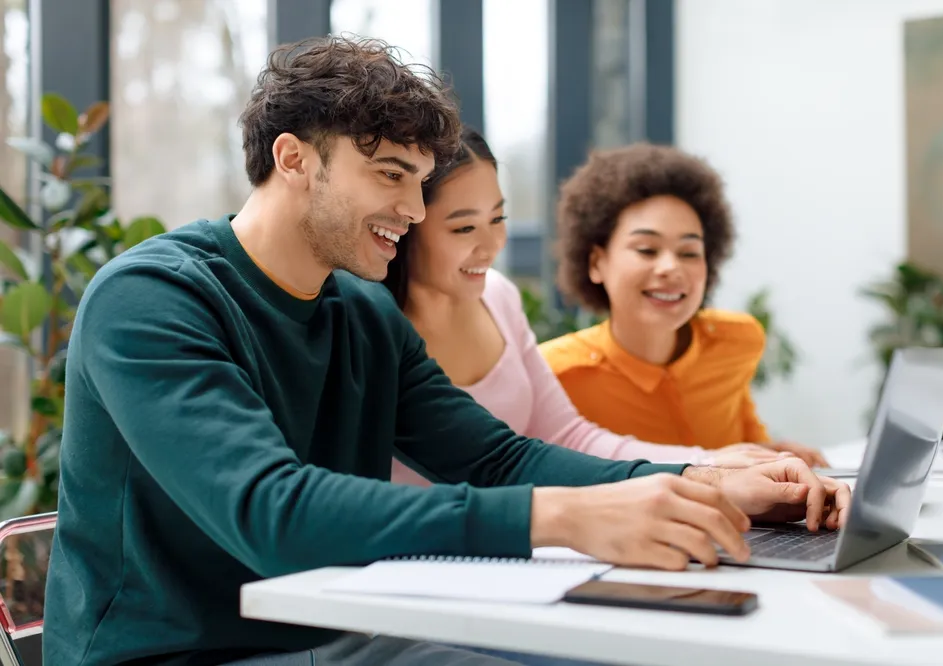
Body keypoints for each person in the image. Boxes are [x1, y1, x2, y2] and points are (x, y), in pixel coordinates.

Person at [44, 37, 848, 666]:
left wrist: (706, 484)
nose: (410, 209)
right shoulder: (153, 299)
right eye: (391, 175)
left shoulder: (360, 311)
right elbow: (273, 513)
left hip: (326, 629)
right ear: (294, 160)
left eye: (420, 183)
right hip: (186, 655)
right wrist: (572, 518)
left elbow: (496, 459)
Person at [383, 127, 789, 478]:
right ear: (407, 224)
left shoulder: (500, 296)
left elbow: (566, 437)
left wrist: (711, 466)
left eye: (499, 220)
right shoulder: (370, 323)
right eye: (464, 227)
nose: (492, 246)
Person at [539, 143, 829, 468]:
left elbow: (745, 443)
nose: (670, 268)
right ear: (596, 262)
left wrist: (775, 455)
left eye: (689, 252)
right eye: (647, 249)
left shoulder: (737, 340)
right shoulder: (555, 374)